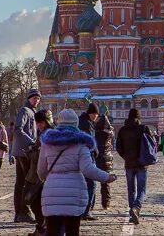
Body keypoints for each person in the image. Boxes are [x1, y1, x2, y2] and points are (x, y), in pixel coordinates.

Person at [37, 109, 116, 236]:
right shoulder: (81, 143)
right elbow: (88, 169)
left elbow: (41, 171)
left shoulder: (47, 142)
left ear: (58, 122)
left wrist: (50, 179)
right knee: (72, 230)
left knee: (52, 230)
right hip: (74, 192)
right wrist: (106, 177)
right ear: (76, 123)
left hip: (52, 192)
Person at [115, 108, 152, 225]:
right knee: (142, 189)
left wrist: (126, 157)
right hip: (142, 164)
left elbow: (118, 147)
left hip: (129, 164)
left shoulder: (122, 130)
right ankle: (136, 208)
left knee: (131, 189)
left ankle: (132, 210)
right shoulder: (144, 128)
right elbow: (151, 144)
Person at [12, 88, 41, 223]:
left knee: (21, 182)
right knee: (26, 182)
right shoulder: (25, 111)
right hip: (24, 152)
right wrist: (32, 143)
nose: (37, 100)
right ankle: (23, 211)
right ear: (29, 98)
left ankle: (20, 212)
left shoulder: (33, 112)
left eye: (38, 98)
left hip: (24, 151)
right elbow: (18, 129)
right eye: (34, 98)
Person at [24, 109, 54, 236]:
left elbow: (44, 155)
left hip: (40, 176)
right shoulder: (44, 134)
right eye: (38, 123)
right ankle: (41, 227)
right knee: (34, 202)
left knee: (37, 203)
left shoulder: (49, 135)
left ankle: (42, 229)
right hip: (35, 174)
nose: (39, 125)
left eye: (41, 122)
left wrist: (32, 152)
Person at [78, 104, 99, 220]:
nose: (96, 116)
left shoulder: (83, 122)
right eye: (94, 114)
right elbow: (90, 141)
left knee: (85, 184)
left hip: (83, 157)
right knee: (91, 183)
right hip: (88, 157)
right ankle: (86, 210)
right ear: (90, 113)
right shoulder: (86, 124)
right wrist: (96, 151)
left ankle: (85, 209)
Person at [93, 113, 114, 210]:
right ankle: (106, 203)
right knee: (105, 182)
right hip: (107, 159)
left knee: (92, 181)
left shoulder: (95, 133)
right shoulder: (110, 133)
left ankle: (90, 203)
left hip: (97, 158)